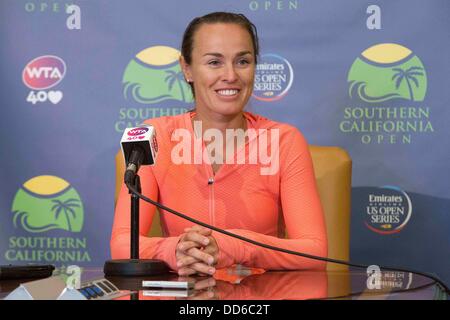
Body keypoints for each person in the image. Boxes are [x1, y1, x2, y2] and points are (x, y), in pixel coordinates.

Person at [111, 12, 327, 277]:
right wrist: (174, 250)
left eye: (243, 61)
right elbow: (122, 244)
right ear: (187, 69)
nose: (230, 75)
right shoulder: (156, 137)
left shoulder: (284, 140)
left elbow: (314, 252)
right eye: (214, 62)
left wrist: (234, 246)